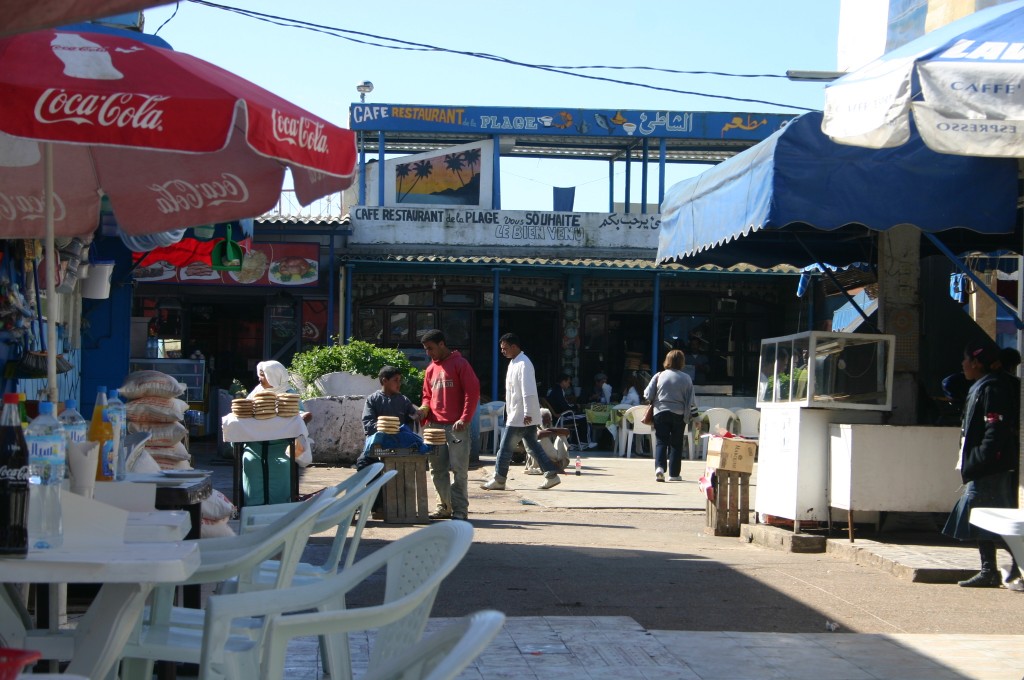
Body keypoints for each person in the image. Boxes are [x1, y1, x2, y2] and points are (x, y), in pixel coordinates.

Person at [942, 340, 1021, 589]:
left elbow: (994, 430)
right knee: (987, 517)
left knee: (991, 518)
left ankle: (1001, 569)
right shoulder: (983, 385)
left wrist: (980, 458)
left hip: (989, 468)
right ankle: (992, 570)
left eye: (966, 360)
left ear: (976, 363)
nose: (963, 365)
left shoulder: (993, 388)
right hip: (984, 466)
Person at [481, 333, 562, 490]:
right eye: (501, 348)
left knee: (505, 449)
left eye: (505, 348)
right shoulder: (514, 362)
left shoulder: (524, 364)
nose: (502, 351)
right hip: (519, 414)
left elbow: (528, 391)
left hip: (521, 416)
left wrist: (527, 413)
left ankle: (499, 479)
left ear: (514, 346)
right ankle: (551, 475)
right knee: (533, 447)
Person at [419, 329, 480, 521]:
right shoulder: (430, 369)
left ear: (442, 344)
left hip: (457, 427)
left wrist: (465, 418)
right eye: (426, 349)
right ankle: (443, 506)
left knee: (459, 470)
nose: (428, 353)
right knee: (437, 469)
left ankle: (460, 510)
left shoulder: (461, 364)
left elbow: (472, 392)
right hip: (434, 426)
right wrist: (423, 410)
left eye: (431, 348)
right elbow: (427, 396)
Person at [242, 360, 311, 506]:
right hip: (255, 447)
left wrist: (303, 416)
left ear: (274, 376)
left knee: (283, 465)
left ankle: (279, 507)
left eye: (263, 375)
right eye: (260, 375)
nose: (260, 379)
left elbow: (300, 417)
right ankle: (253, 507)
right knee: (250, 462)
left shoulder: (290, 395)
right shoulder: (255, 393)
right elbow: (243, 414)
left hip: (282, 447)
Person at [644, 349, 698, 483]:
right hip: (679, 414)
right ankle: (674, 474)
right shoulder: (686, 378)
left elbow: (647, 395)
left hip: (660, 413)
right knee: (676, 444)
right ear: (682, 362)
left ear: (667, 360)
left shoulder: (659, 375)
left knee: (661, 441)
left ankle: (659, 469)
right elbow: (691, 401)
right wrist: (696, 417)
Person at [525, 407, 571, 474]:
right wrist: (548, 431)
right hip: (539, 462)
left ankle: (557, 463)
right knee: (543, 439)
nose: (548, 421)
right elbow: (539, 434)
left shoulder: (551, 428)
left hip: (555, 459)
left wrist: (550, 430)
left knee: (562, 436)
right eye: (545, 419)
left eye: (549, 419)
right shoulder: (534, 428)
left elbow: (567, 431)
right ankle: (553, 464)